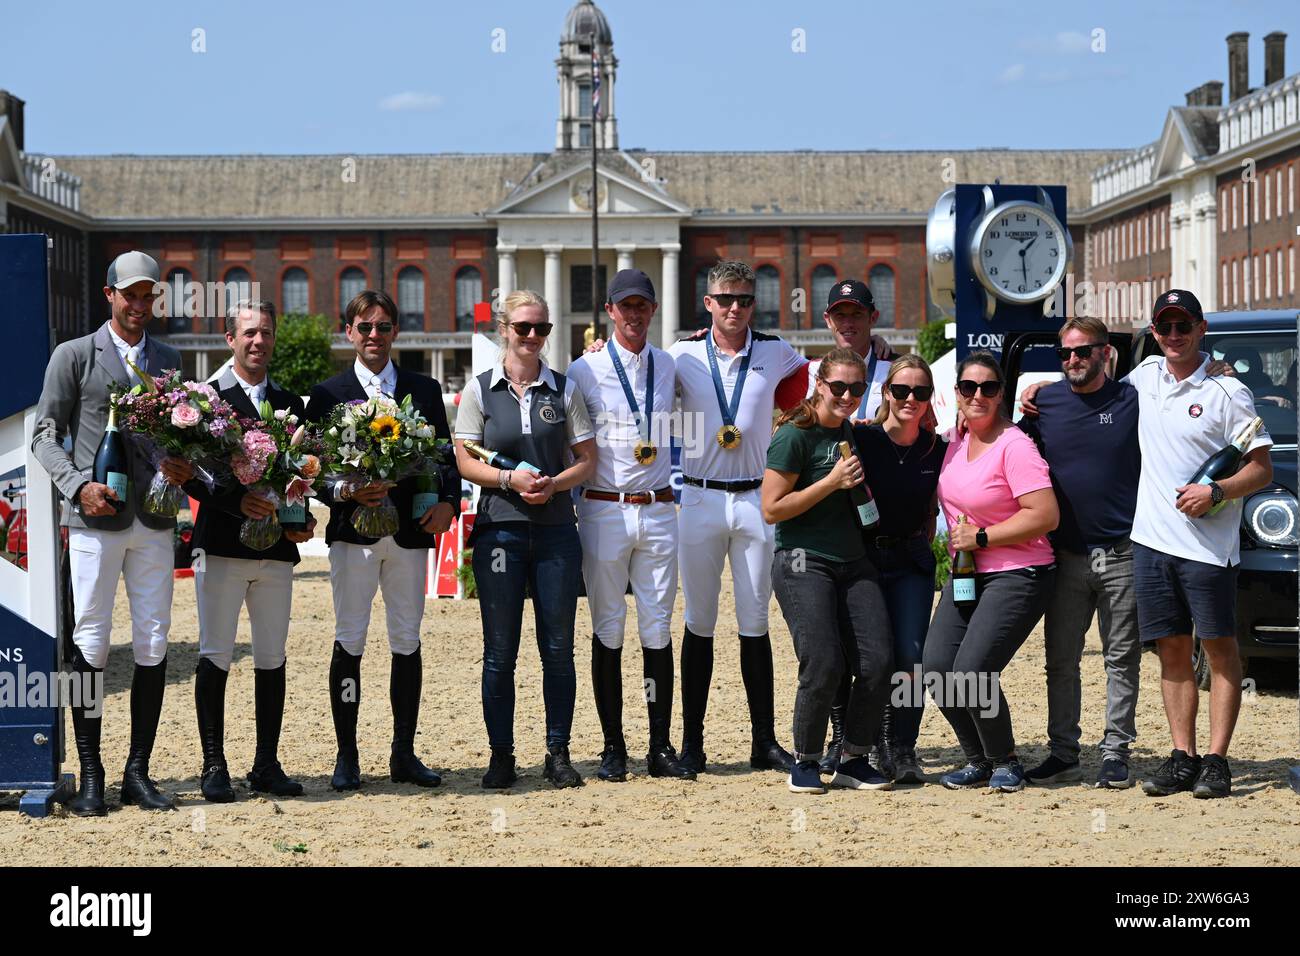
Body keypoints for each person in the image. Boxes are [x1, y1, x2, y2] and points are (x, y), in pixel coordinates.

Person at [32, 250, 193, 814]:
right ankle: (94, 771)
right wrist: (77, 486)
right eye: (131, 295)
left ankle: (138, 771)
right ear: (110, 295)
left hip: (153, 519)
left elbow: (182, 440)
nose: (140, 305)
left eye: (149, 296)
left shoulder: (170, 359)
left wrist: (182, 464)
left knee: (153, 639)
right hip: (94, 517)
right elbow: (44, 435)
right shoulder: (74, 356)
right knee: (92, 641)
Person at [304, 290, 459, 792]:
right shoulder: (328, 394)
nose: (374, 336)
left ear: (396, 331)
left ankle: (403, 752)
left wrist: (449, 503)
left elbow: (443, 458)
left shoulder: (425, 389)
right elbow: (313, 471)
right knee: (350, 640)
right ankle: (347, 753)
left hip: (409, 532)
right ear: (349, 332)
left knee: (406, 640)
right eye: (365, 327)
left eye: (384, 327)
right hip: (354, 534)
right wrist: (346, 489)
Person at [1125, 290, 1272, 799]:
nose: (1173, 336)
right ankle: (1182, 756)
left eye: (1182, 326)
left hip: (1208, 550)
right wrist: (1036, 394)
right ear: (1155, 332)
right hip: (1150, 543)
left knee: (1220, 649)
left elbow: (1261, 469)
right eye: (1164, 327)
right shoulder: (1144, 376)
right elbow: (1095, 392)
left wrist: (1216, 491)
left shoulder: (1229, 392)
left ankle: (1216, 759)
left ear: (1201, 329)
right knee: (1171, 650)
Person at [453, 290, 597, 789]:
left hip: (557, 530)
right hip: (500, 532)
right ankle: (501, 756)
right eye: (523, 327)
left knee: (558, 648)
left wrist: (555, 484)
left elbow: (587, 458)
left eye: (542, 328)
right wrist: (510, 481)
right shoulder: (479, 390)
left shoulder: (564, 389)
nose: (533, 337)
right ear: (504, 329)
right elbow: (466, 459)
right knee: (500, 650)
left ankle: (558, 752)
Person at [670, 259, 809, 775]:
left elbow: (814, 388)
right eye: (725, 299)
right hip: (701, 498)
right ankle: (692, 745)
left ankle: (763, 742)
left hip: (755, 499)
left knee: (755, 624)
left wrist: (877, 352)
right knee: (698, 625)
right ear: (708, 303)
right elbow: (639, 377)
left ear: (755, 303)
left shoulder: (774, 351)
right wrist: (598, 346)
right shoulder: (682, 354)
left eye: (745, 300)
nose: (735, 308)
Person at [566, 270, 694, 782]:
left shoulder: (670, 363)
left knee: (657, 630)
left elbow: (723, 362)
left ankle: (660, 745)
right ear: (610, 310)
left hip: (660, 507)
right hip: (604, 507)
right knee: (607, 630)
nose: (634, 315)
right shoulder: (583, 368)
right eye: (625, 307)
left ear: (654, 309)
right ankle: (612, 746)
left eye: (642, 306)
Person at [187, 300, 315, 802]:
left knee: (272, 656)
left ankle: (266, 762)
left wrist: (299, 517)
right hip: (221, 546)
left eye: (266, 332)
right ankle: (213, 763)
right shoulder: (208, 401)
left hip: (276, 552)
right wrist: (236, 500)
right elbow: (194, 475)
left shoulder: (290, 403)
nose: (258, 341)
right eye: (248, 333)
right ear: (229, 339)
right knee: (215, 653)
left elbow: (301, 475)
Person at [1012, 317, 1144, 789]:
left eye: (1083, 352)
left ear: (1105, 352)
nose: (1073, 360)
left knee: (1121, 658)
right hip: (1066, 555)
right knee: (1060, 660)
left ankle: (1115, 752)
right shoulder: (1043, 402)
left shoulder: (1133, 399)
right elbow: (1007, 450)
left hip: (1122, 551)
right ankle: (1064, 752)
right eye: (1065, 353)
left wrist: (1222, 369)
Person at [923, 351, 1059, 793]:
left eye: (989, 387)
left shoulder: (1015, 445)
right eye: (968, 387)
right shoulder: (955, 439)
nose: (978, 395)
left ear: (1002, 394)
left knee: (974, 670)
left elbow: (1045, 515)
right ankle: (977, 758)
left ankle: (1006, 760)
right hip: (966, 572)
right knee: (939, 669)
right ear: (956, 393)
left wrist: (982, 538)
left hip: (1019, 570)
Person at [763, 347, 895, 793]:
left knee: (878, 662)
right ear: (819, 384)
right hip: (803, 559)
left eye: (855, 388)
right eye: (837, 386)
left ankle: (854, 758)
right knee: (823, 661)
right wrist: (830, 482)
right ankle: (805, 759)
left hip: (853, 561)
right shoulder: (794, 436)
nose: (846, 395)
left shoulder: (849, 432)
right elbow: (771, 509)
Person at [850, 354, 947, 784]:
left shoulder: (938, 448)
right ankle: (867, 746)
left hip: (911, 561)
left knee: (911, 658)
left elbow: (935, 507)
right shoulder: (861, 439)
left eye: (920, 392)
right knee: (873, 657)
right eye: (902, 390)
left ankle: (903, 748)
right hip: (865, 559)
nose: (911, 399)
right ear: (886, 392)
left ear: (929, 399)